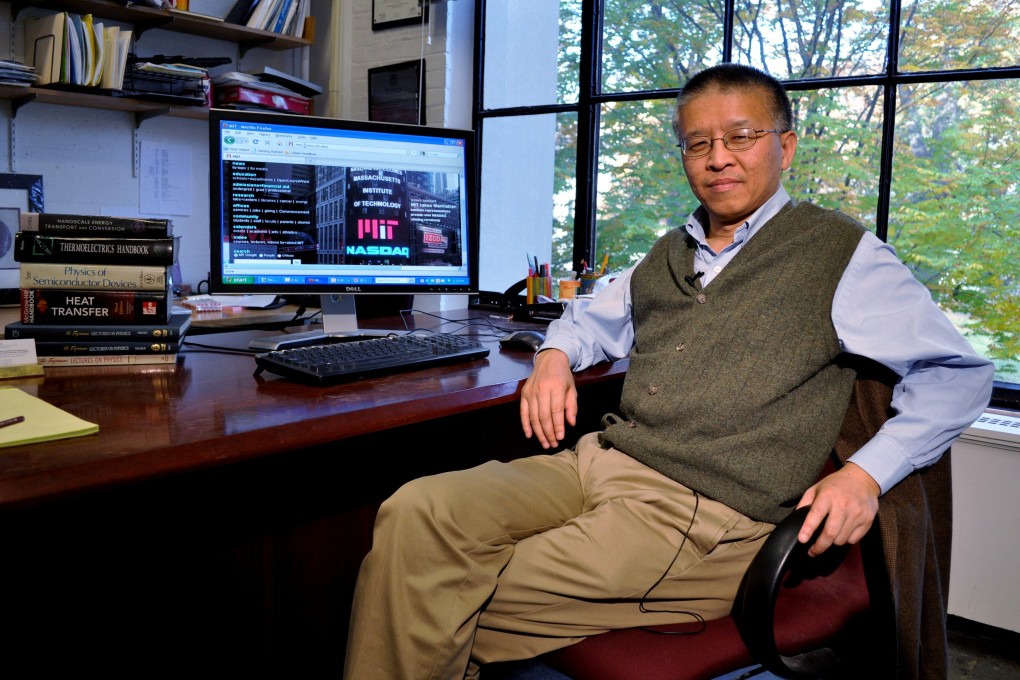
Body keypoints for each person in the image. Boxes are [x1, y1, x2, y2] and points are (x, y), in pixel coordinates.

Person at [342, 63, 995, 680]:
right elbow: (587, 318)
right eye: (697, 143)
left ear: (786, 147)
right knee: (417, 514)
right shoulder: (671, 250)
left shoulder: (841, 255)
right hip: (599, 462)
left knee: (432, 585)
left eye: (742, 136)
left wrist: (863, 475)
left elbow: (959, 374)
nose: (718, 157)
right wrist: (550, 359)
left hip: (704, 513)